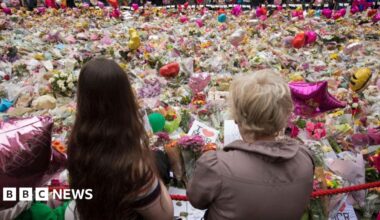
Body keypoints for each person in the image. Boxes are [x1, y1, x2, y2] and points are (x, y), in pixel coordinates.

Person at [187, 69, 314, 220]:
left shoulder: (216, 166)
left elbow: (196, 201)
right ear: (285, 115)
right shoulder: (305, 158)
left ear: (237, 118)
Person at [67, 57, 173, 220]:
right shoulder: (132, 165)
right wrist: (152, 172)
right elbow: (165, 215)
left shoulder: (76, 144)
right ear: (125, 99)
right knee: (159, 161)